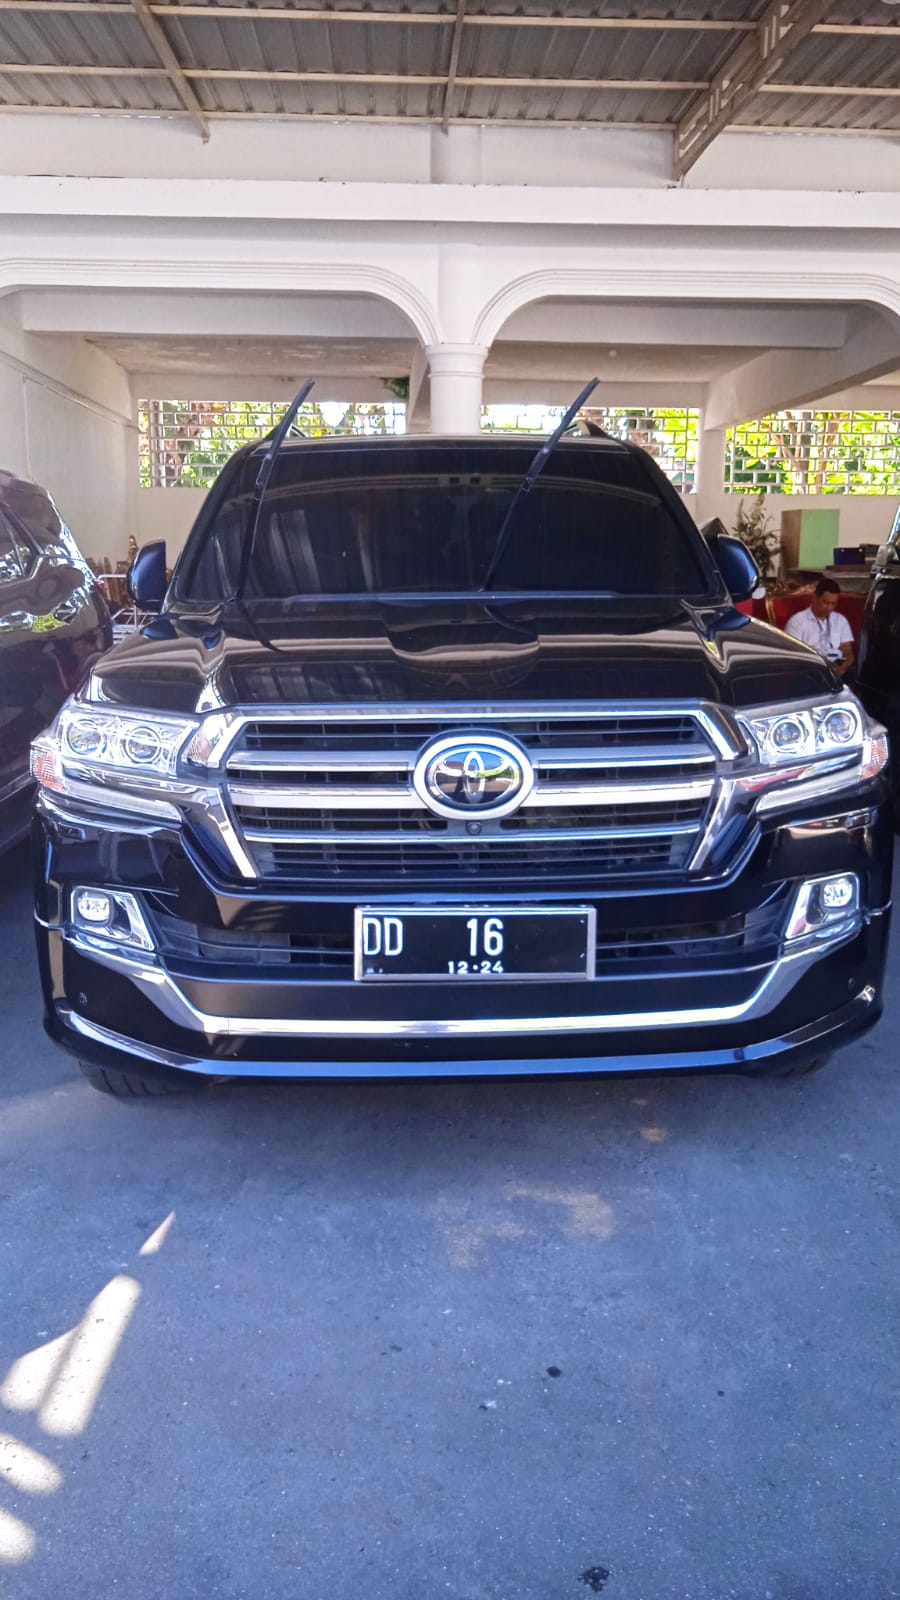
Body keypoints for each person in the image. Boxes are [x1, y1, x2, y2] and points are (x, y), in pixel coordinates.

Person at [783, 577, 855, 677]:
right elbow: (793, 655)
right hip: (810, 668)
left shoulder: (840, 620)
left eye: (833, 604)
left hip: (837, 667)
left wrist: (843, 666)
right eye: (825, 602)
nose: (829, 608)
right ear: (815, 598)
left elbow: (848, 651)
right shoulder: (797, 621)